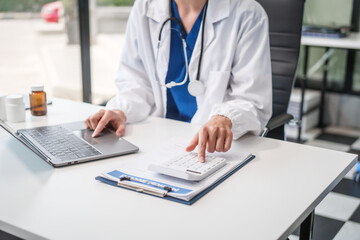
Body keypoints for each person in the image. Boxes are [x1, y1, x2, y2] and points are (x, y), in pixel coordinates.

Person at [85, 0, 272, 162]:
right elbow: (136, 81)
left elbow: (251, 99)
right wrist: (120, 110)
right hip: (157, 141)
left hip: (213, 151)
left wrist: (225, 118)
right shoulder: (145, 7)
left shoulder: (247, 13)